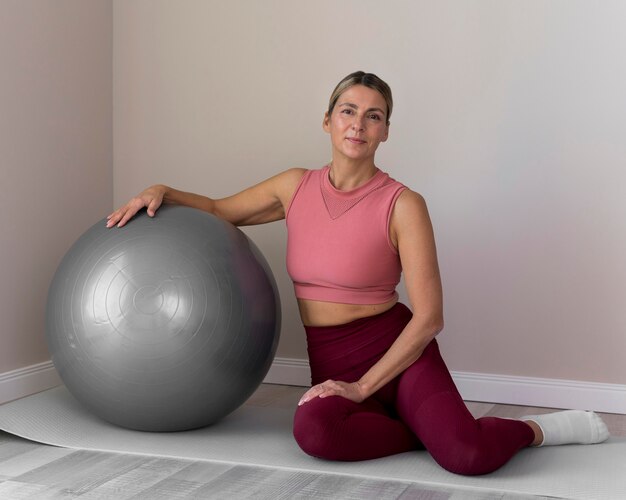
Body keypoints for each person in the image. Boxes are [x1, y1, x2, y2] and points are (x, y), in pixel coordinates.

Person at [107, 71, 609, 475]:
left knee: (467, 457)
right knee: (314, 433)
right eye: (348, 111)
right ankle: (431, 429)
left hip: (399, 353)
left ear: (386, 130)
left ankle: (539, 430)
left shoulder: (403, 204)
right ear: (327, 121)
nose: (359, 124)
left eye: (374, 116)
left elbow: (430, 317)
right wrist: (163, 191)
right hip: (330, 358)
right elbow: (219, 209)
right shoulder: (293, 186)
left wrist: (364, 389)